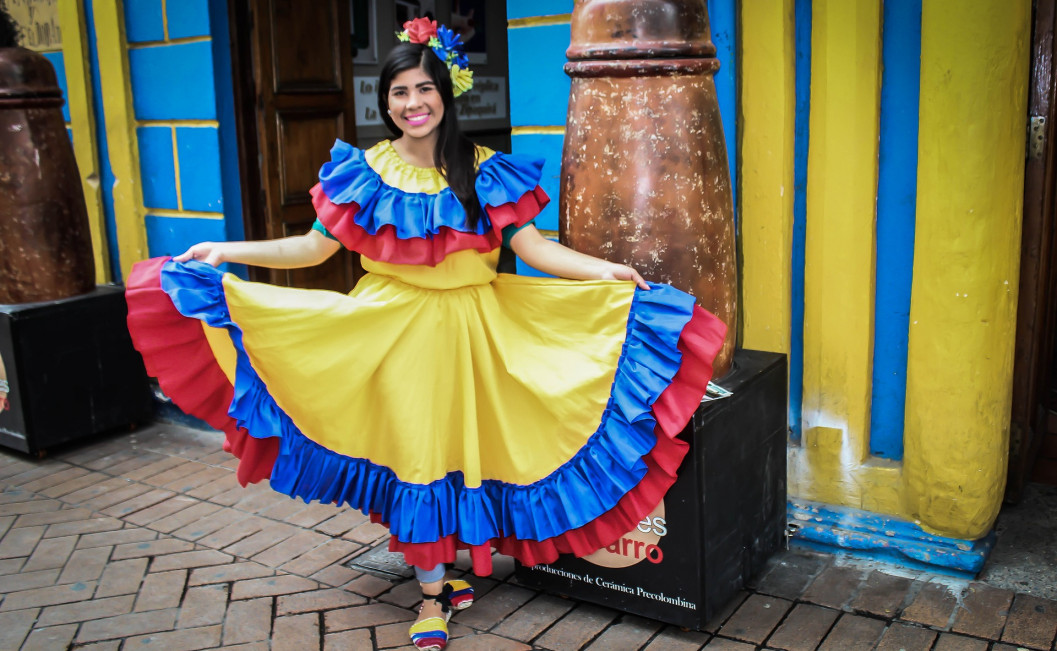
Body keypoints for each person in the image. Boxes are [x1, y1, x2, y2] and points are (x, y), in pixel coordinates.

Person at [125, 18, 725, 651]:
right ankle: (432, 596)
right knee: (418, 458)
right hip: (391, 334)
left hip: (475, 331)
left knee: (468, 452)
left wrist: (601, 269)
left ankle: (447, 570)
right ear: (384, 103)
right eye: (399, 93)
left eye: (423, 89)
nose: (413, 104)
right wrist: (226, 249)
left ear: (445, 93)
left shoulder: (485, 170)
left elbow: (532, 249)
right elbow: (309, 247)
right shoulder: (364, 171)